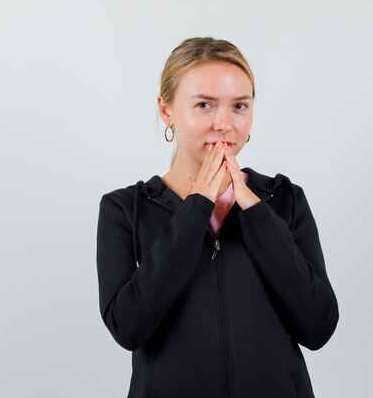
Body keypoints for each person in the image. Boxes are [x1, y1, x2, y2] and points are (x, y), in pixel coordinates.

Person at [96, 37, 339, 398]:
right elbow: (129, 327)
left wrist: (255, 212)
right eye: (204, 105)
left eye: (239, 105)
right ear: (167, 111)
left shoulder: (284, 200)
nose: (224, 123)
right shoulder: (124, 208)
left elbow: (318, 327)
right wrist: (196, 209)